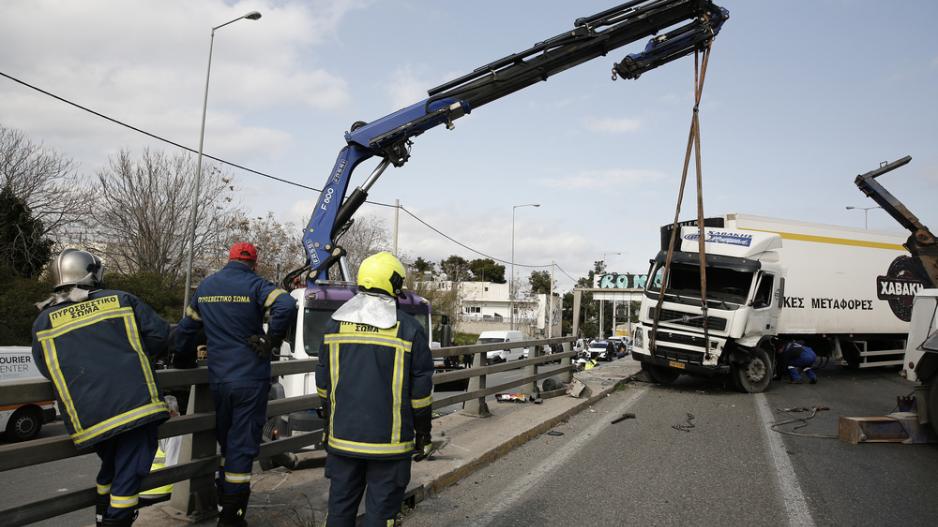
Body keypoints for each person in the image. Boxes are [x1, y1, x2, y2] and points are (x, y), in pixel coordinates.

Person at [31, 249, 170, 527]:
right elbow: (160, 335)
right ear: (90, 273)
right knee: (129, 474)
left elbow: (47, 367)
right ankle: (115, 521)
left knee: (112, 467)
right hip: (134, 407)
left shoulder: (43, 320)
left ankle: (100, 515)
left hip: (88, 418)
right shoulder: (121, 300)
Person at [175, 242, 296, 527]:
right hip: (250, 378)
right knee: (240, 449)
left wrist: (181, 360)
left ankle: (222, 502)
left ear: (228, 259)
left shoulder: (206, 286)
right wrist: (272, 340)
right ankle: (231, 518)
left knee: (227, 443)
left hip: (219, 378)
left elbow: (187, 328)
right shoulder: (255, 284)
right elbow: (287, 303)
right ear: (253, 263)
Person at [317, 251, 434, 527]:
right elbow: (421, 395)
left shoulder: (334, 326)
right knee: (380, 517)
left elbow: (323, 385)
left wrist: (328, 423)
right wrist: (423, 434)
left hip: (342, 439)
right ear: (394, 283)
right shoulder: (407, 329)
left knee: (339, 512)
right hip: (389, 445)